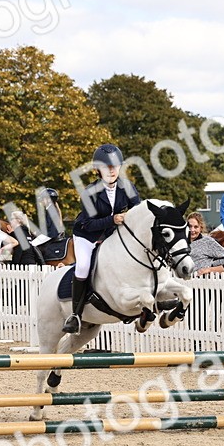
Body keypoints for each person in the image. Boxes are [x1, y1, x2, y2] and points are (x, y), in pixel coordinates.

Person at [63, 143, 141, 334]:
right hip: (87, 235)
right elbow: (89, 224)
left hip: (110, 234)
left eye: (115, 166)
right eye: (106, 167)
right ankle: (75, 314)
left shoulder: (127, 186)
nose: (111, 170)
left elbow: (138, 210)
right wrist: (112, 219)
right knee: (82, 267)